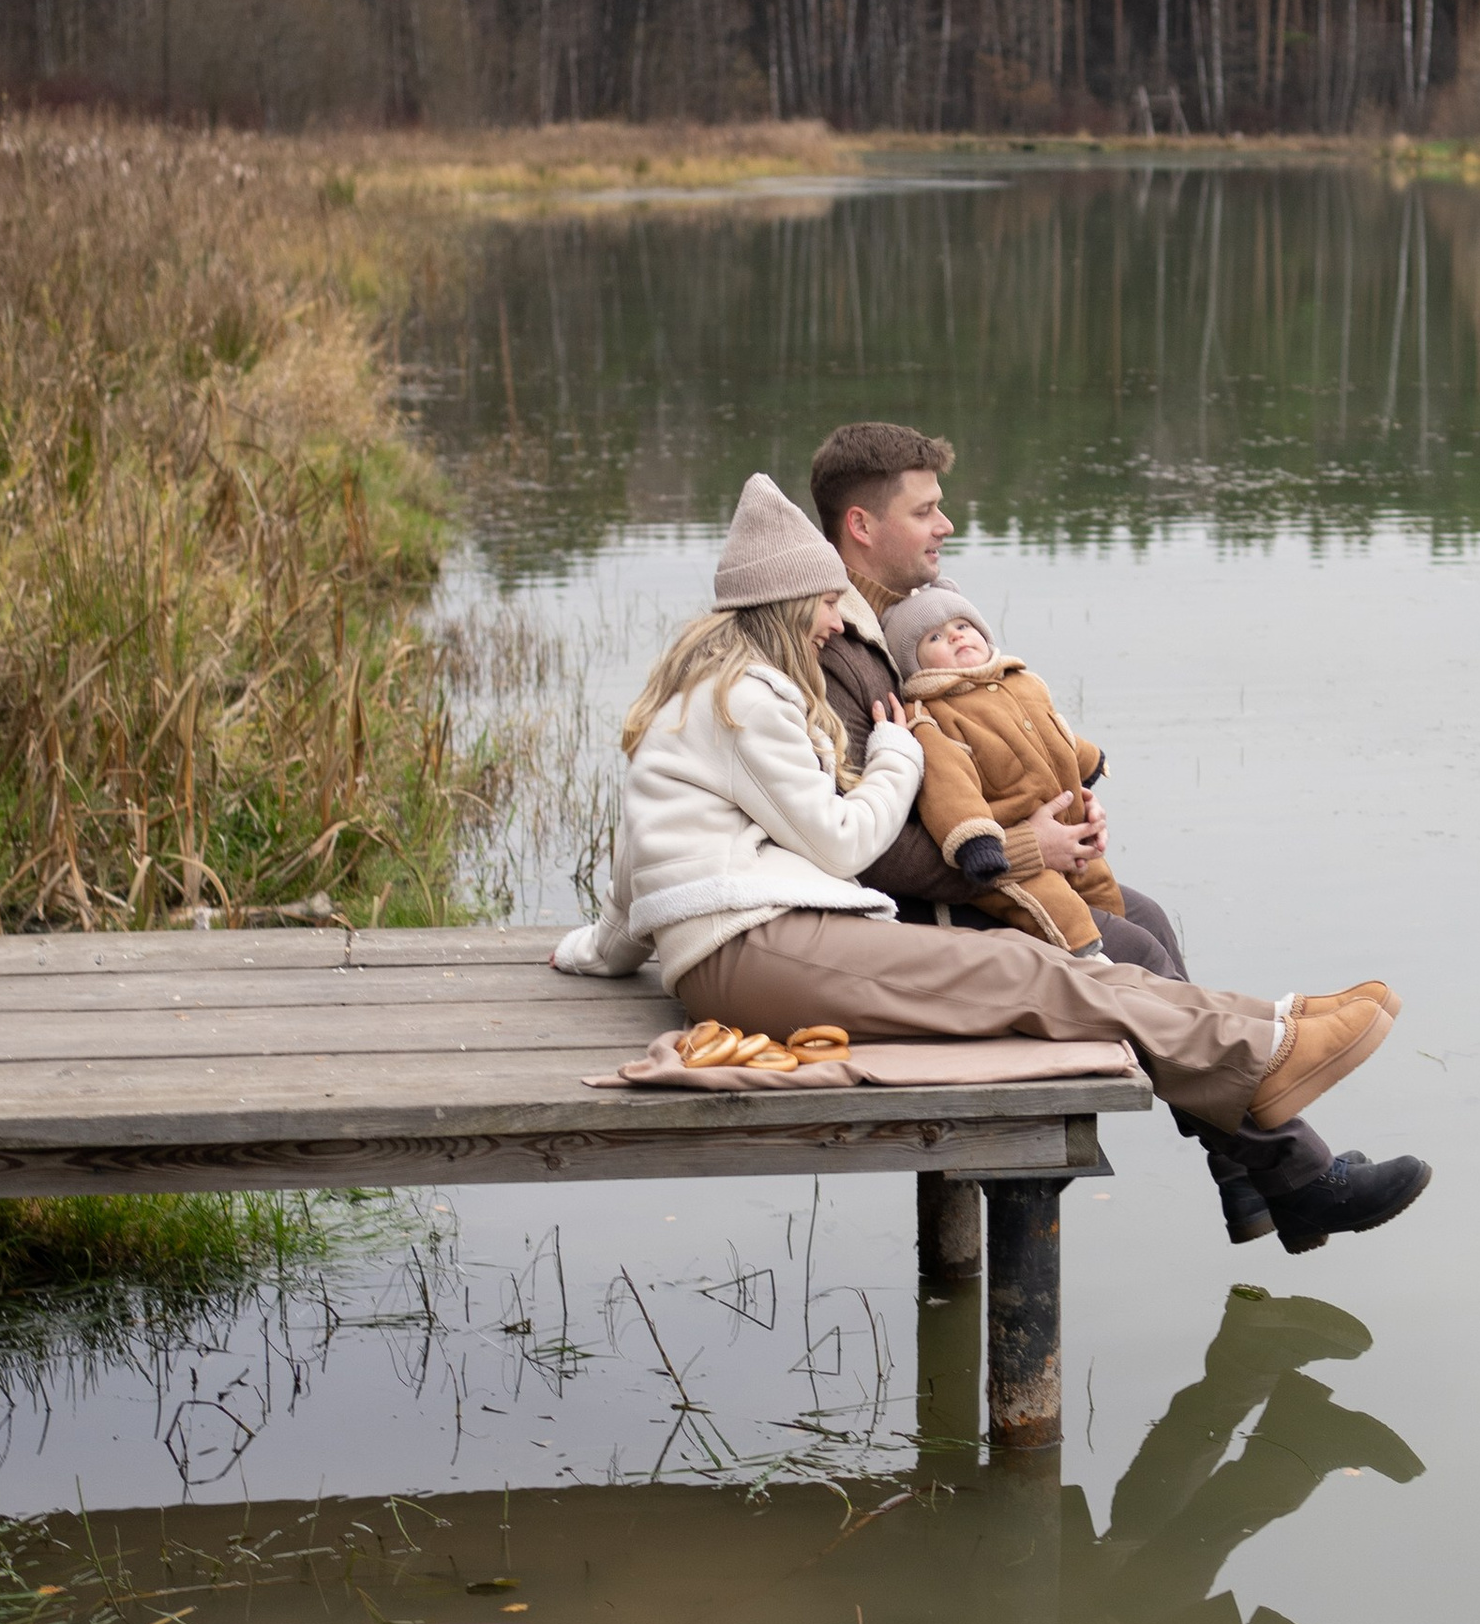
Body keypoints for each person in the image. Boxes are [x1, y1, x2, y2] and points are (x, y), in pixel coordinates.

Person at [550, 471, 1397, 1163]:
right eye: (819, 603)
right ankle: (1260, 1059)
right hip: (753, 949)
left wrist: (599, 950)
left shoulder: (703, 696)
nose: (828, 621)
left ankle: (1268, 1030)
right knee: (1024, 975)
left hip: (745, 946)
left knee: (1045, 967)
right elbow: (841, 843)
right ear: (784, 603)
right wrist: (899, 755)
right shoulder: (747, 698)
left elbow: (637, 865)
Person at [805, 417, 1430, 1261]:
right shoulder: (830, 647)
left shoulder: (896, 625)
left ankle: (1252, 1177)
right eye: (926, 511)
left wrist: (1059, 817)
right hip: (899, 921)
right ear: (862, 527)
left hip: (976, 881)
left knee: (1151, 918)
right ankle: (1294, 1175)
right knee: (1127, 946)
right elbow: (861, 848)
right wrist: (1028, 850)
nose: (946, 526)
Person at [880, 579, 1123, 956]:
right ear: (914, 663)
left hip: (1069, 833)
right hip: (1008, 850)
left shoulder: (1023, 683)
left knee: (1106, 895)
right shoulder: (934, 717)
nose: (956, 637)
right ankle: (1092, 967)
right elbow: (949, 787)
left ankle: (1124, 959)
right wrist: (977, 842)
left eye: (963, 627)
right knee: (1060, 911)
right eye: (935, 638)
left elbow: (1055, 733)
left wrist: (1087, 763)